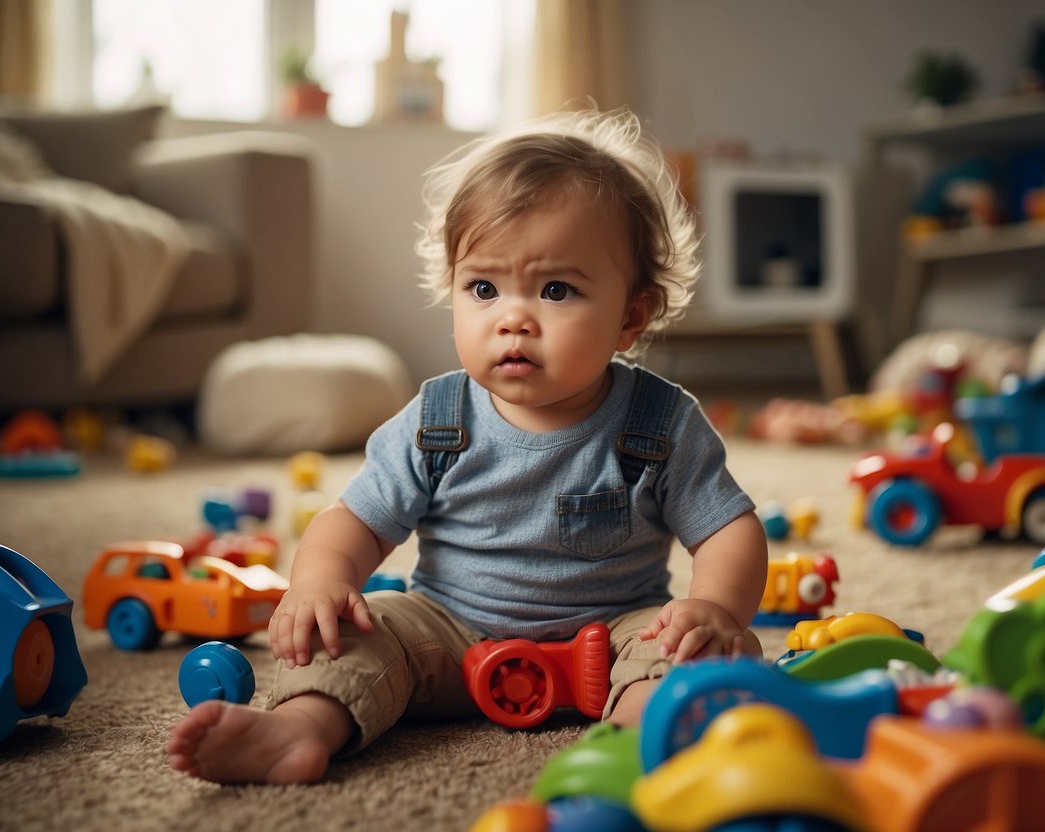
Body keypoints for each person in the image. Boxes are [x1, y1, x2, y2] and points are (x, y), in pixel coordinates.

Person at [167, 106, 768, 785]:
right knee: (357, 633)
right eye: (483, 288)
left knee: (698, 649)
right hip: (448, 636)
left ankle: (633, 742)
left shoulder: (659, 422)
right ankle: (298, 730)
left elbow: (728, 532)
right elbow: (354, 521)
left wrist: (712, 607)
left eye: (556, 290)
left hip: (613, 636)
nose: (512, 317)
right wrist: (320, 582)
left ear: (631, 315)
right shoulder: (437, 420)